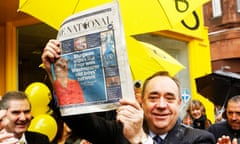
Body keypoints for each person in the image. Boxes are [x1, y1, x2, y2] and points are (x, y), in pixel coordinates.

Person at [42, 39, 216, 144]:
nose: (161, 105)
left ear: (179, 103)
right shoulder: (119, 132)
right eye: (153, 97)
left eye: (169, 98)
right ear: (142, 102)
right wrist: (59, 77)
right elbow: (78, 118)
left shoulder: (200, 139)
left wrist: (139, 138)